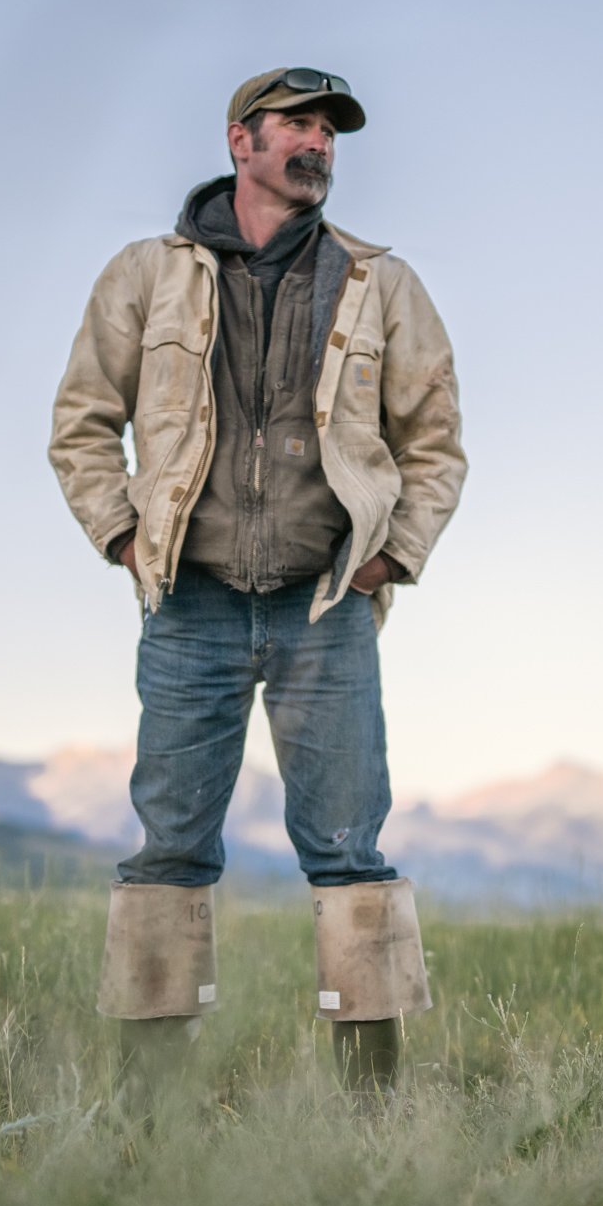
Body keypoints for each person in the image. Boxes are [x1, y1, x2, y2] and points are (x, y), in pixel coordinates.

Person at [49, 67, 466, 1109]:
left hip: (324, 607)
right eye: (297, 125)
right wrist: (121, 537)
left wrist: (391, 556)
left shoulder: (383, 283)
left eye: (329, 130)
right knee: (170, 846)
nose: (318, 143)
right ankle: (148, 1112)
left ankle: (372, 1112)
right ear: (241, 140)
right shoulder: (147, 274)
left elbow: (437, 444)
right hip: (186, 605)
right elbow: (82, 422)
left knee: (349, 850)